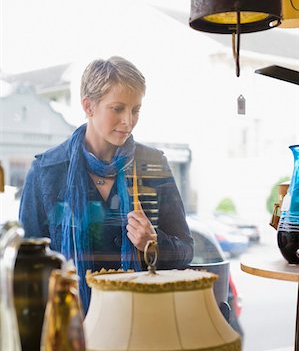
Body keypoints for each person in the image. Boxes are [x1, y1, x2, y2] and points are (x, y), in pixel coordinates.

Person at [19, 56, 194, 315]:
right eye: (118, 108)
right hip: (70, 327)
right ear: (88, 106)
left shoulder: (154, 165)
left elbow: (186, 250)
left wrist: (153, 244)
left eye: (135, 110)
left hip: (142, 325)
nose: (128, 121)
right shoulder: (47, 171)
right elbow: (26, 267)